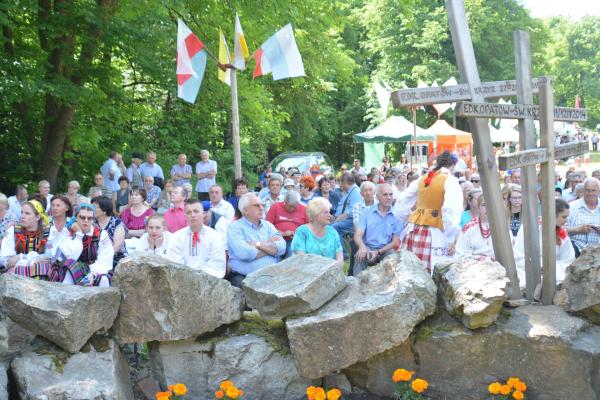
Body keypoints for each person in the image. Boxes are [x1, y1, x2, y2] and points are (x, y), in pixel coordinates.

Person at [395, 151, 462, 273]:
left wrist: (409, 217)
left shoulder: (423, 179)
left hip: (414, 230)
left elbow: (401, 201)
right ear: (452, 164)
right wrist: (450, 238)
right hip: (435, 233)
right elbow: (450, 211)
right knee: (435, 272)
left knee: (412, 271)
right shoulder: (450, 181)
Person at [227, 193, 286, 287]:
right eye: (256, 205)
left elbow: (282, 248)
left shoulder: (268, 226)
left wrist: (258, 244)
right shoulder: (234, 228)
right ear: (245, 210)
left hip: (273, 275)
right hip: (244, 277)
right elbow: (245, 253)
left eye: (262, 205)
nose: (262, 208)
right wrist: (271, 249)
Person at [514, 198, 575, 286]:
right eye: (564, 217)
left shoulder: (562, 234)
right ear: (553, 215)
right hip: (527, 269)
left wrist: (551, 268)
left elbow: (568, 259)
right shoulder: (528, 228)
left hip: (554, 270)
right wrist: (537, 267)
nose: (566, 220)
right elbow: (518, 254)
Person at [166, 199, 226, 278]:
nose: (193, 215)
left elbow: (217, 263)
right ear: (184, 216)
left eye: (196, 211)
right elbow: (174, 262)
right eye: (189, 212)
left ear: (203, 214)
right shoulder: (176, 237)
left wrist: (200, 277)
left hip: (209, 281)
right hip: (183, 280)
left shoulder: (215, 236)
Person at [58, 204, 114, 286]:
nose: (86, 220)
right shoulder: (67, 232)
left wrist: (92, 274)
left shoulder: (101, 234)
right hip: (71, 269)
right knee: (71, 265)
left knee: (104, 279)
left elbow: (106, 260)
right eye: (82, 217)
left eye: (90, 218)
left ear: (93, 219)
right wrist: (79, 235)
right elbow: (70, 256)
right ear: (76, 217)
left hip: (95, 270)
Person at [353, 184, 402, 275]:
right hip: (368, 247)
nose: (389, 197)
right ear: (377, 197)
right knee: (359, 256)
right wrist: (362, 247)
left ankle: (388, 287)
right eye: (385, 195)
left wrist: (378, 252)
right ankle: (356, 284)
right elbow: (358, 234)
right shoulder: (367, 212)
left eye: (390, 194)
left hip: (385, 249)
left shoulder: (397, 216)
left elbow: (395, 242)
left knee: (392, 258)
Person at [0, 200, 55, 280]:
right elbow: (6, 261)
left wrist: (19, 258)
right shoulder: (12, 231)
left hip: (40, 275)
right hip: (16, 275)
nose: (22, 216)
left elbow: (49, 257)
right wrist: (28, 258)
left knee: (42, 268)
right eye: (22, 212)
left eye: (27, 213)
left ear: (37, 217)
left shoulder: (49, 231)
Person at [291, 197, 343, 265]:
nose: (329, 216)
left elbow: (340, 258)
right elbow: (301, 259)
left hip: (331, 272)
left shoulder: (332, 232)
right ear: (316, 215)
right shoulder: (302, 232)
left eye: (329, 212)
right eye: (326, 212)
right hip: (308, 273)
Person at [266, 190, 308, 258]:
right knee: (274, 252)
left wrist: (299, 234)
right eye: (290, 206)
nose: (291, 209)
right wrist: (282, 233)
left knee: (293, 251)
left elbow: (309, 227)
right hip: (277, 238)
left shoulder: (303, 209)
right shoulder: (275, 207)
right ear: (285, 201)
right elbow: (267, 226)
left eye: (294, 207)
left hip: (294, 239)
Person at [566, 177, 600, 256]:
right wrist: (577, 229)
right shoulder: (572, 207)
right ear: (583, 191)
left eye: (593, 190)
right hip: (576, 249)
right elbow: (560, 228)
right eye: (587, 190)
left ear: (599, 192)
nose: (590, 193)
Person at [331, 172, 362, 254]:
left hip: (352, 221)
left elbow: (351, 212)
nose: (340, 185)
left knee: (334, 228)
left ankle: (342, 254)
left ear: (345, 182)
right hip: (345, 219)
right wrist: (335, 217)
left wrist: (337, 220)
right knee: (327, 226)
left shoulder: (356, 192)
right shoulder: (349, 191)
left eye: (341, 182)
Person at [91, 196, 127, 267]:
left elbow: (117, 246)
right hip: (95, 257)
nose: (91, 210)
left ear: (104, 210)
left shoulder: (117, 223)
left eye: (94, 207)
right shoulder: (92, 223)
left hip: (115, 257)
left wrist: (103, 259)